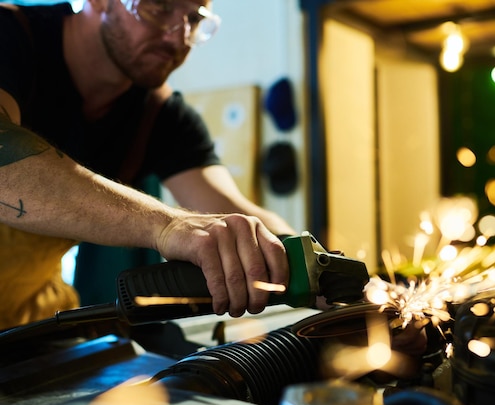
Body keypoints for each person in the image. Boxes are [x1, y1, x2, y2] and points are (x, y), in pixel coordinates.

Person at [0, 0, 297, 330]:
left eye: (194, 19)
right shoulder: (9, 33)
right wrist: (167, 225)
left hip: (27, 330)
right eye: (160, 6)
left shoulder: (160, 116)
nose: (179, 38)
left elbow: (234, 211)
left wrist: (317, 266)